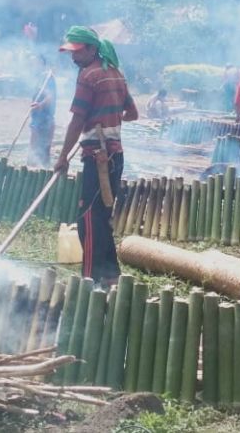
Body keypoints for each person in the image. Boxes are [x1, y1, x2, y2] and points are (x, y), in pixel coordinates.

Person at [54, 26, 138, 286]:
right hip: (115, 156)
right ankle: (111, 276)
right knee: (102, 218)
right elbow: (133, 113)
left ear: (91, 49)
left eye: (77, 52)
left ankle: (89, 279)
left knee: (88, 221)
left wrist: (62, 156)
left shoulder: (88, 76)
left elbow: (77, 120)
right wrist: (108, 118)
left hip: (97, 157)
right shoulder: (116, 74)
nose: (74, 58)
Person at [28, 55, 56, 168]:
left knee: (39, 148)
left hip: (44, 118)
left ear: (41, 64)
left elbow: (50, 96)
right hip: (38, 118)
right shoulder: (40, 77)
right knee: (40, 149)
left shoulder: (47, 77)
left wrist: (40, 105)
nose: (32, 66)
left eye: (35, 63)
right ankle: (37, 169)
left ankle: (35, 170)